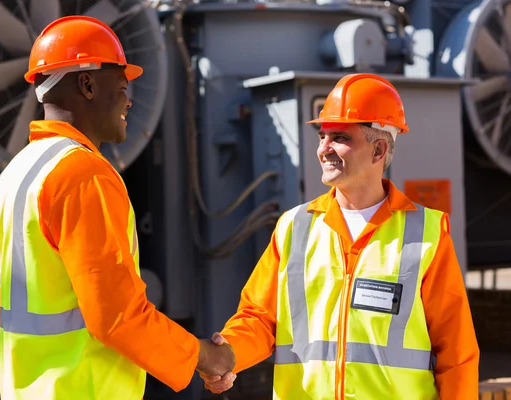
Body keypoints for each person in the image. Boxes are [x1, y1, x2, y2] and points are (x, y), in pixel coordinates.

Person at [0, 16, 234, 400]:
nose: (129, 100)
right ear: (87, 84)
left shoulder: (10, 178)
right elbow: (116, 317)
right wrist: (203, 356)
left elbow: (4, 306)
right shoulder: (82, 173)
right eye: (121, 86)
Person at [200, 73, 480, 399]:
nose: (324, 149)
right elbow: (259, 320)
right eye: (322, 136)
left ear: (378, 151)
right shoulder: (294, 227)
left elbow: (456, 352)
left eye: (340, 137)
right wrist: (228, 356)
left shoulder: (427, 234)